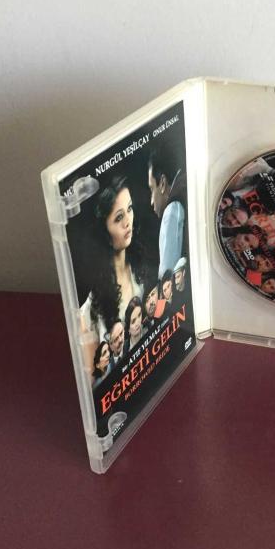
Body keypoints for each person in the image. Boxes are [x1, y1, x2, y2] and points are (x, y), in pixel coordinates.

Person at [80, 176, 145, 375]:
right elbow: (94, 374)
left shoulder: (140, 270)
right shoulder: (92, 307)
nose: (128, 222)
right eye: (118, 218)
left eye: (130, 209)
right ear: (105, 233)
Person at [147, 139, 186, 277]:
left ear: (162, 184)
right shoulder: (187, 180)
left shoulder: (171, 211)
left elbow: (166, 279)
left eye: (152, 189)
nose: (152, 201)